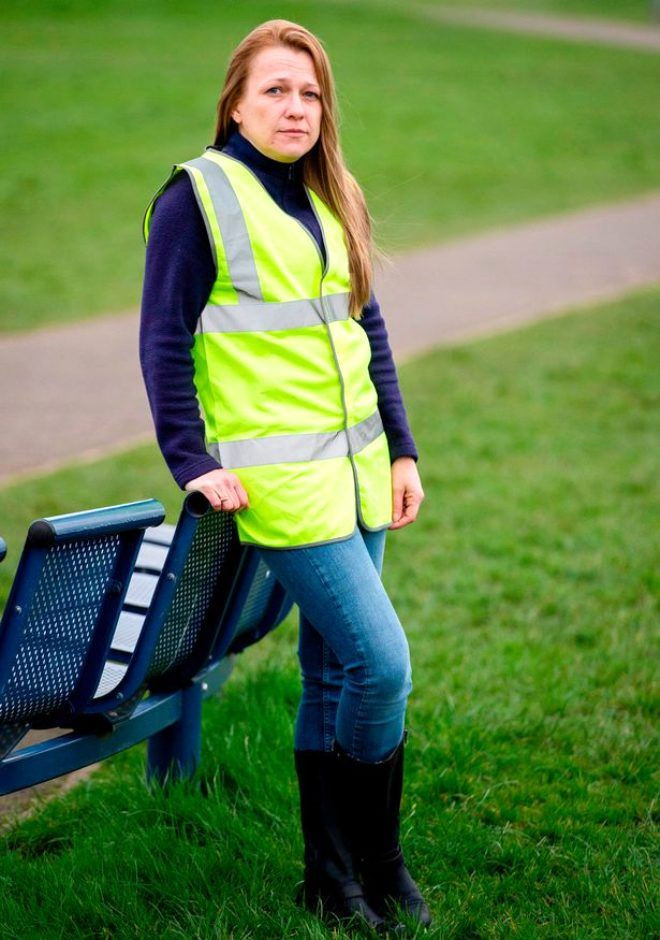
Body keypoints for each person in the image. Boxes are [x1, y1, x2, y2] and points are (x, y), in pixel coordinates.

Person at [140, 19, 431, 932]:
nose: (295, 107)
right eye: (274, 90)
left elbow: (366, 328)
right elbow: (162, 340)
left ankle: (332, 880)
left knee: (335, 674)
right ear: (235, 103)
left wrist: (403, 448)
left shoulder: (329, 193)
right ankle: (377, 860)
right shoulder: (196, 198)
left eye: (310, 93)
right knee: (382, 667)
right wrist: (192, 462)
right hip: (281, 490)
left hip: (361, 473)